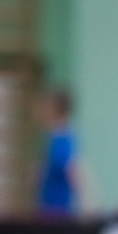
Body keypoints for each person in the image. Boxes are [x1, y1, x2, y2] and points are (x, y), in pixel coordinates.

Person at [36, 88, 80, 218]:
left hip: (58, 208)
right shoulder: (51, 137)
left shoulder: (63, 139)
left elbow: (72, 170)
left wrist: (86, 203)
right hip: (46, 204)